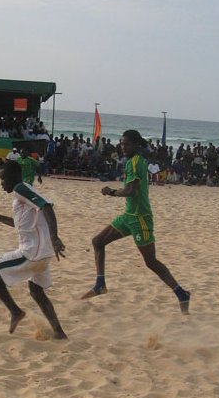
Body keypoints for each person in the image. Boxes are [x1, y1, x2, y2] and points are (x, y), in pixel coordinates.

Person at [81, 129, 191, 314]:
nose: (123, 147)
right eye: (121, 144)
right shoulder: (134, 161)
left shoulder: (136, 162)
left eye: (127, 144)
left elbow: (131, 190)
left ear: (136, 144)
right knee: (98, 241)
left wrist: (111, 192)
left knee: (151, 262)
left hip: (140, 218)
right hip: (128, 216)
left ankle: (182, 294)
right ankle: (100, 284)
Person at [0, 161, 67, 339]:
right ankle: (59, 332)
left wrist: (55, 237)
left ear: (14, 176)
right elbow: (21, 224)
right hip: (43, 253)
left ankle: (15, 311)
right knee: (36, 291)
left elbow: (47, 206)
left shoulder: (20, 188)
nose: (1, 183)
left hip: (32, 252)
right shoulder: (21, 194)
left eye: (3, 179)